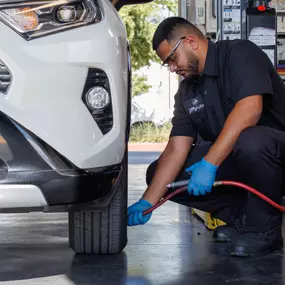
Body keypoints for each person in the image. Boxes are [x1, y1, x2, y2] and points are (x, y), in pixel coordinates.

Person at [127, 16, 285, 257]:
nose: (171, 68)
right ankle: (244, 218)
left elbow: (249, 109)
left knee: (251, 140)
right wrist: (148, 200)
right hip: (241, 160)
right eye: (166, 64)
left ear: (190, 41)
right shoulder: (186, 91)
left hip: (275, 156)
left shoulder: (240, 54)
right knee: (159, 174)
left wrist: (210, 163)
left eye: (172, 59)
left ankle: (264, 229)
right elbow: (177, 148)